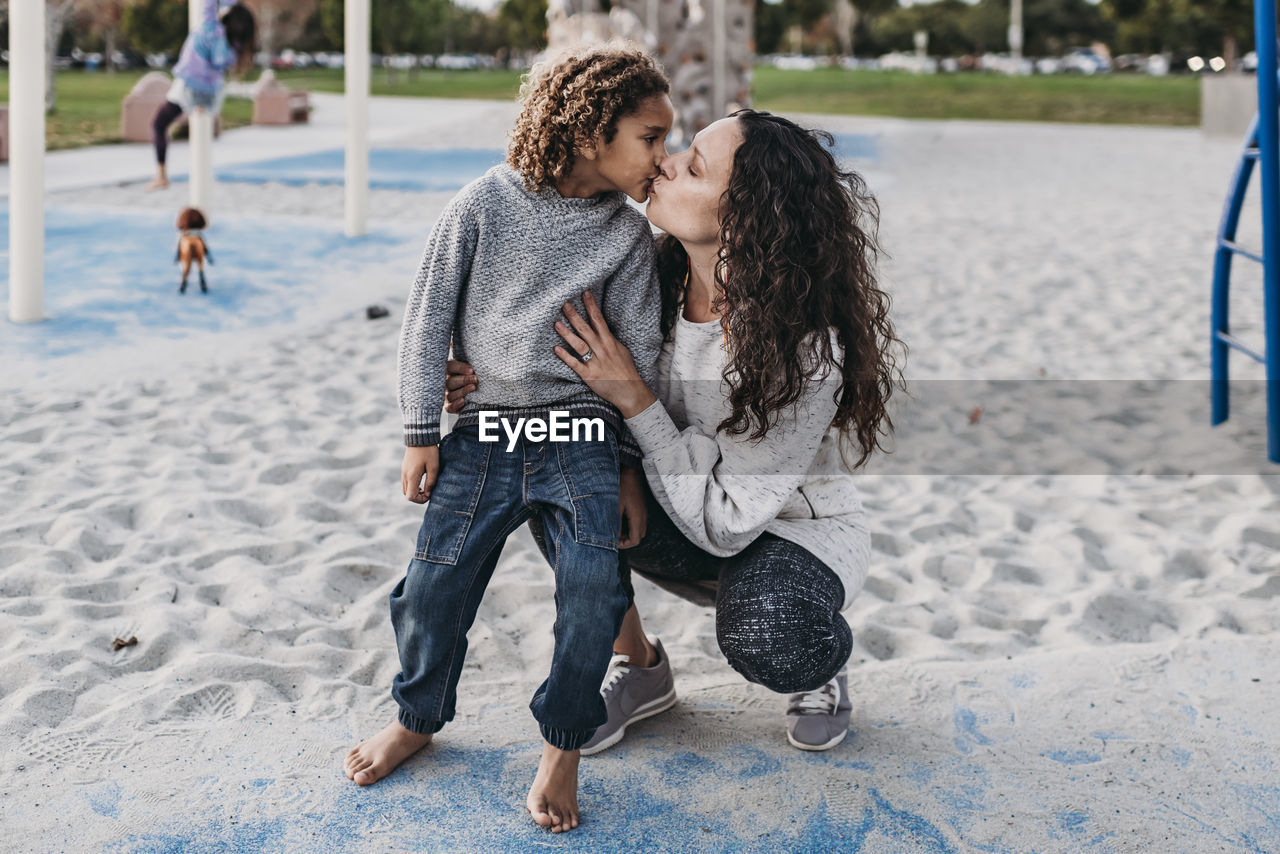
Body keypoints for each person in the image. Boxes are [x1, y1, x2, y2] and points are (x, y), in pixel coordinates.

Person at [444, 109, 902, 755]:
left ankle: (821, 663)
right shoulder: (642, 278)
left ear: (743, 215)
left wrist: (633, 399)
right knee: (554, 474)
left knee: (770, 642)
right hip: (677, 503)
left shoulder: (802, 347)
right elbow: (541, 372)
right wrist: (466, 379)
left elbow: (730, 519)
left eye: (693, 167)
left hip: (790, 531)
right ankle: (642, 668)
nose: (665, 164)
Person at [343, 44, 674, 834]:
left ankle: (565, 746)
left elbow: (640, 360)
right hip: (483, 434)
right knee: (430, 590)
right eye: (651, 137)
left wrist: (627, 465)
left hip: (583, 437)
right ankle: (418, 717)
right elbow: (426, 321)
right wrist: (422, 429)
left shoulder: (627, 236)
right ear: (593, 132)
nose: (665, 154)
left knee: (592, 592)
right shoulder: (481, 206)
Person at [146, 0, 256, 191]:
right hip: (212, 94)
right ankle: (203, 178)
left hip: (189, 87)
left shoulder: (210, 28)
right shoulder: (234, 46)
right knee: (202, 136)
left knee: (159, 124)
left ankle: (161, 175)